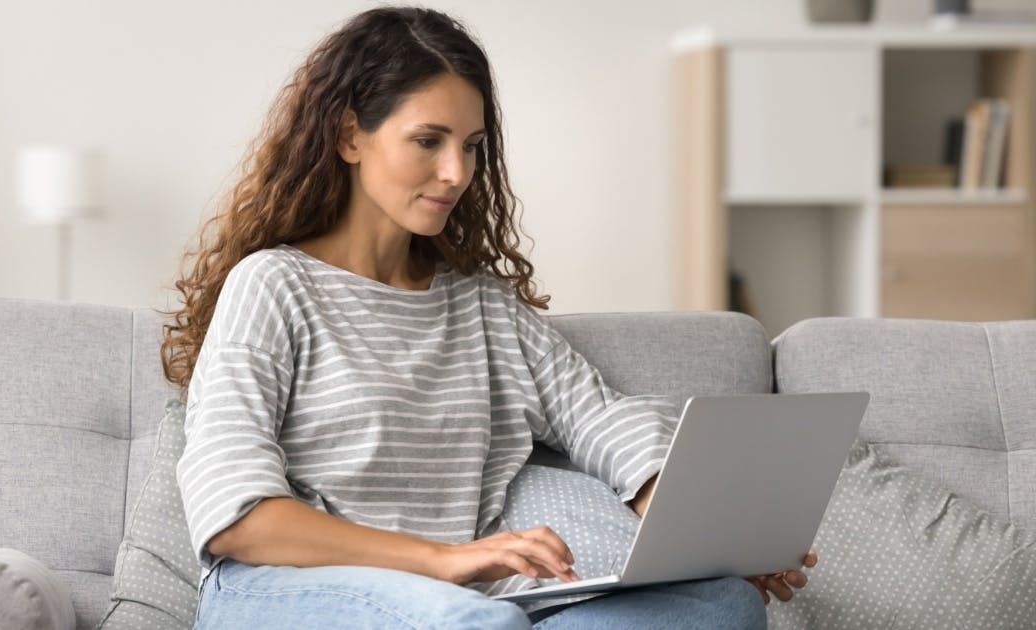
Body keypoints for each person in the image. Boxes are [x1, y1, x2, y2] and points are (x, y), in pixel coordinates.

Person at [160, 7, 815, 628]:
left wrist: (714, 532)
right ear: (349, 134)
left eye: (472, 146)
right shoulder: (273, 286)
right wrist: (443, 561)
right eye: (428, 140)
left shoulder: (480, 304)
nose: (456, 173)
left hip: (460, 605)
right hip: (280, 591)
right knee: (476, 619)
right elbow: (237, 518)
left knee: (720, 607)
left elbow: (603, 420)